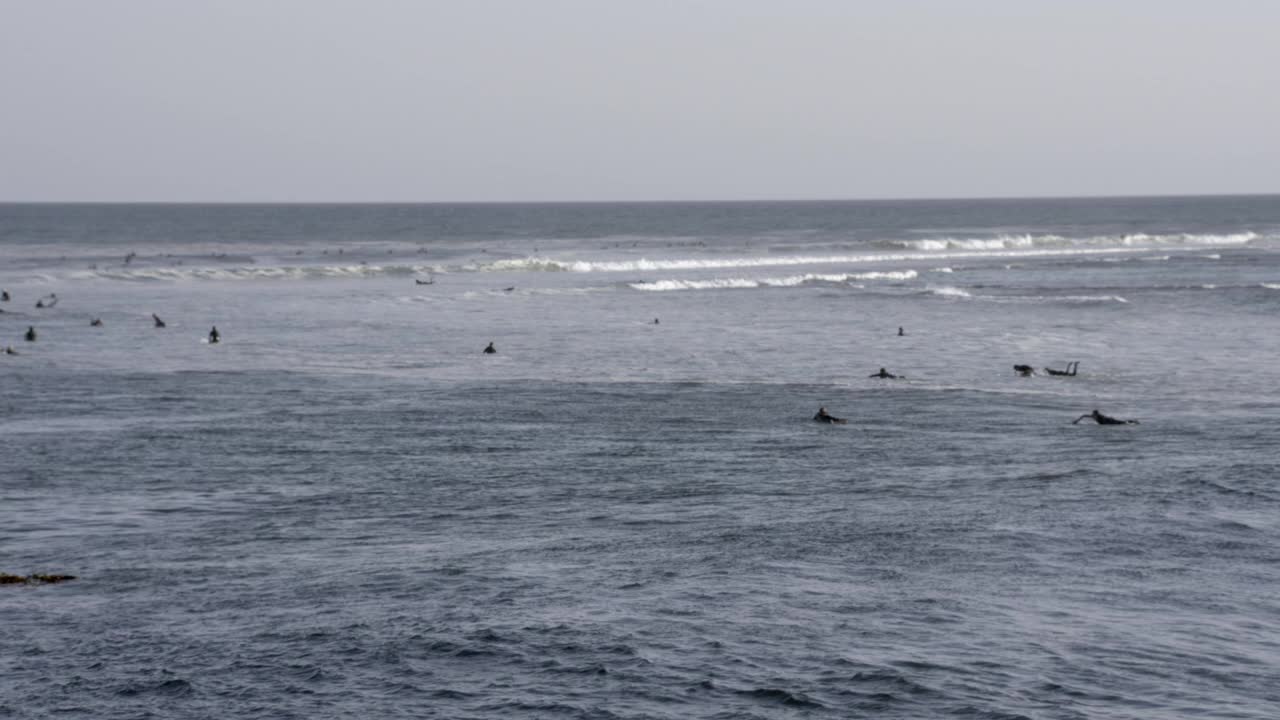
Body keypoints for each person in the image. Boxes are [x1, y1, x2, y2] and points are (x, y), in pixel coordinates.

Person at [1073, 409, 1138, 425]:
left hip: (1111, 420)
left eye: (1095, 415)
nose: (1094, 416)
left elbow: (1105, 420)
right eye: (1093, 414)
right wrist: (1077, 421)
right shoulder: (1092, 416)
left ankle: (1134, 421)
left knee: (1123, 423)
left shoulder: (1100, 416)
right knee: (1123, 423)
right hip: (1108, 420)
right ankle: (1133, 421)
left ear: (1097, 414)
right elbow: (1083, 416)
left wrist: (1109, 423)